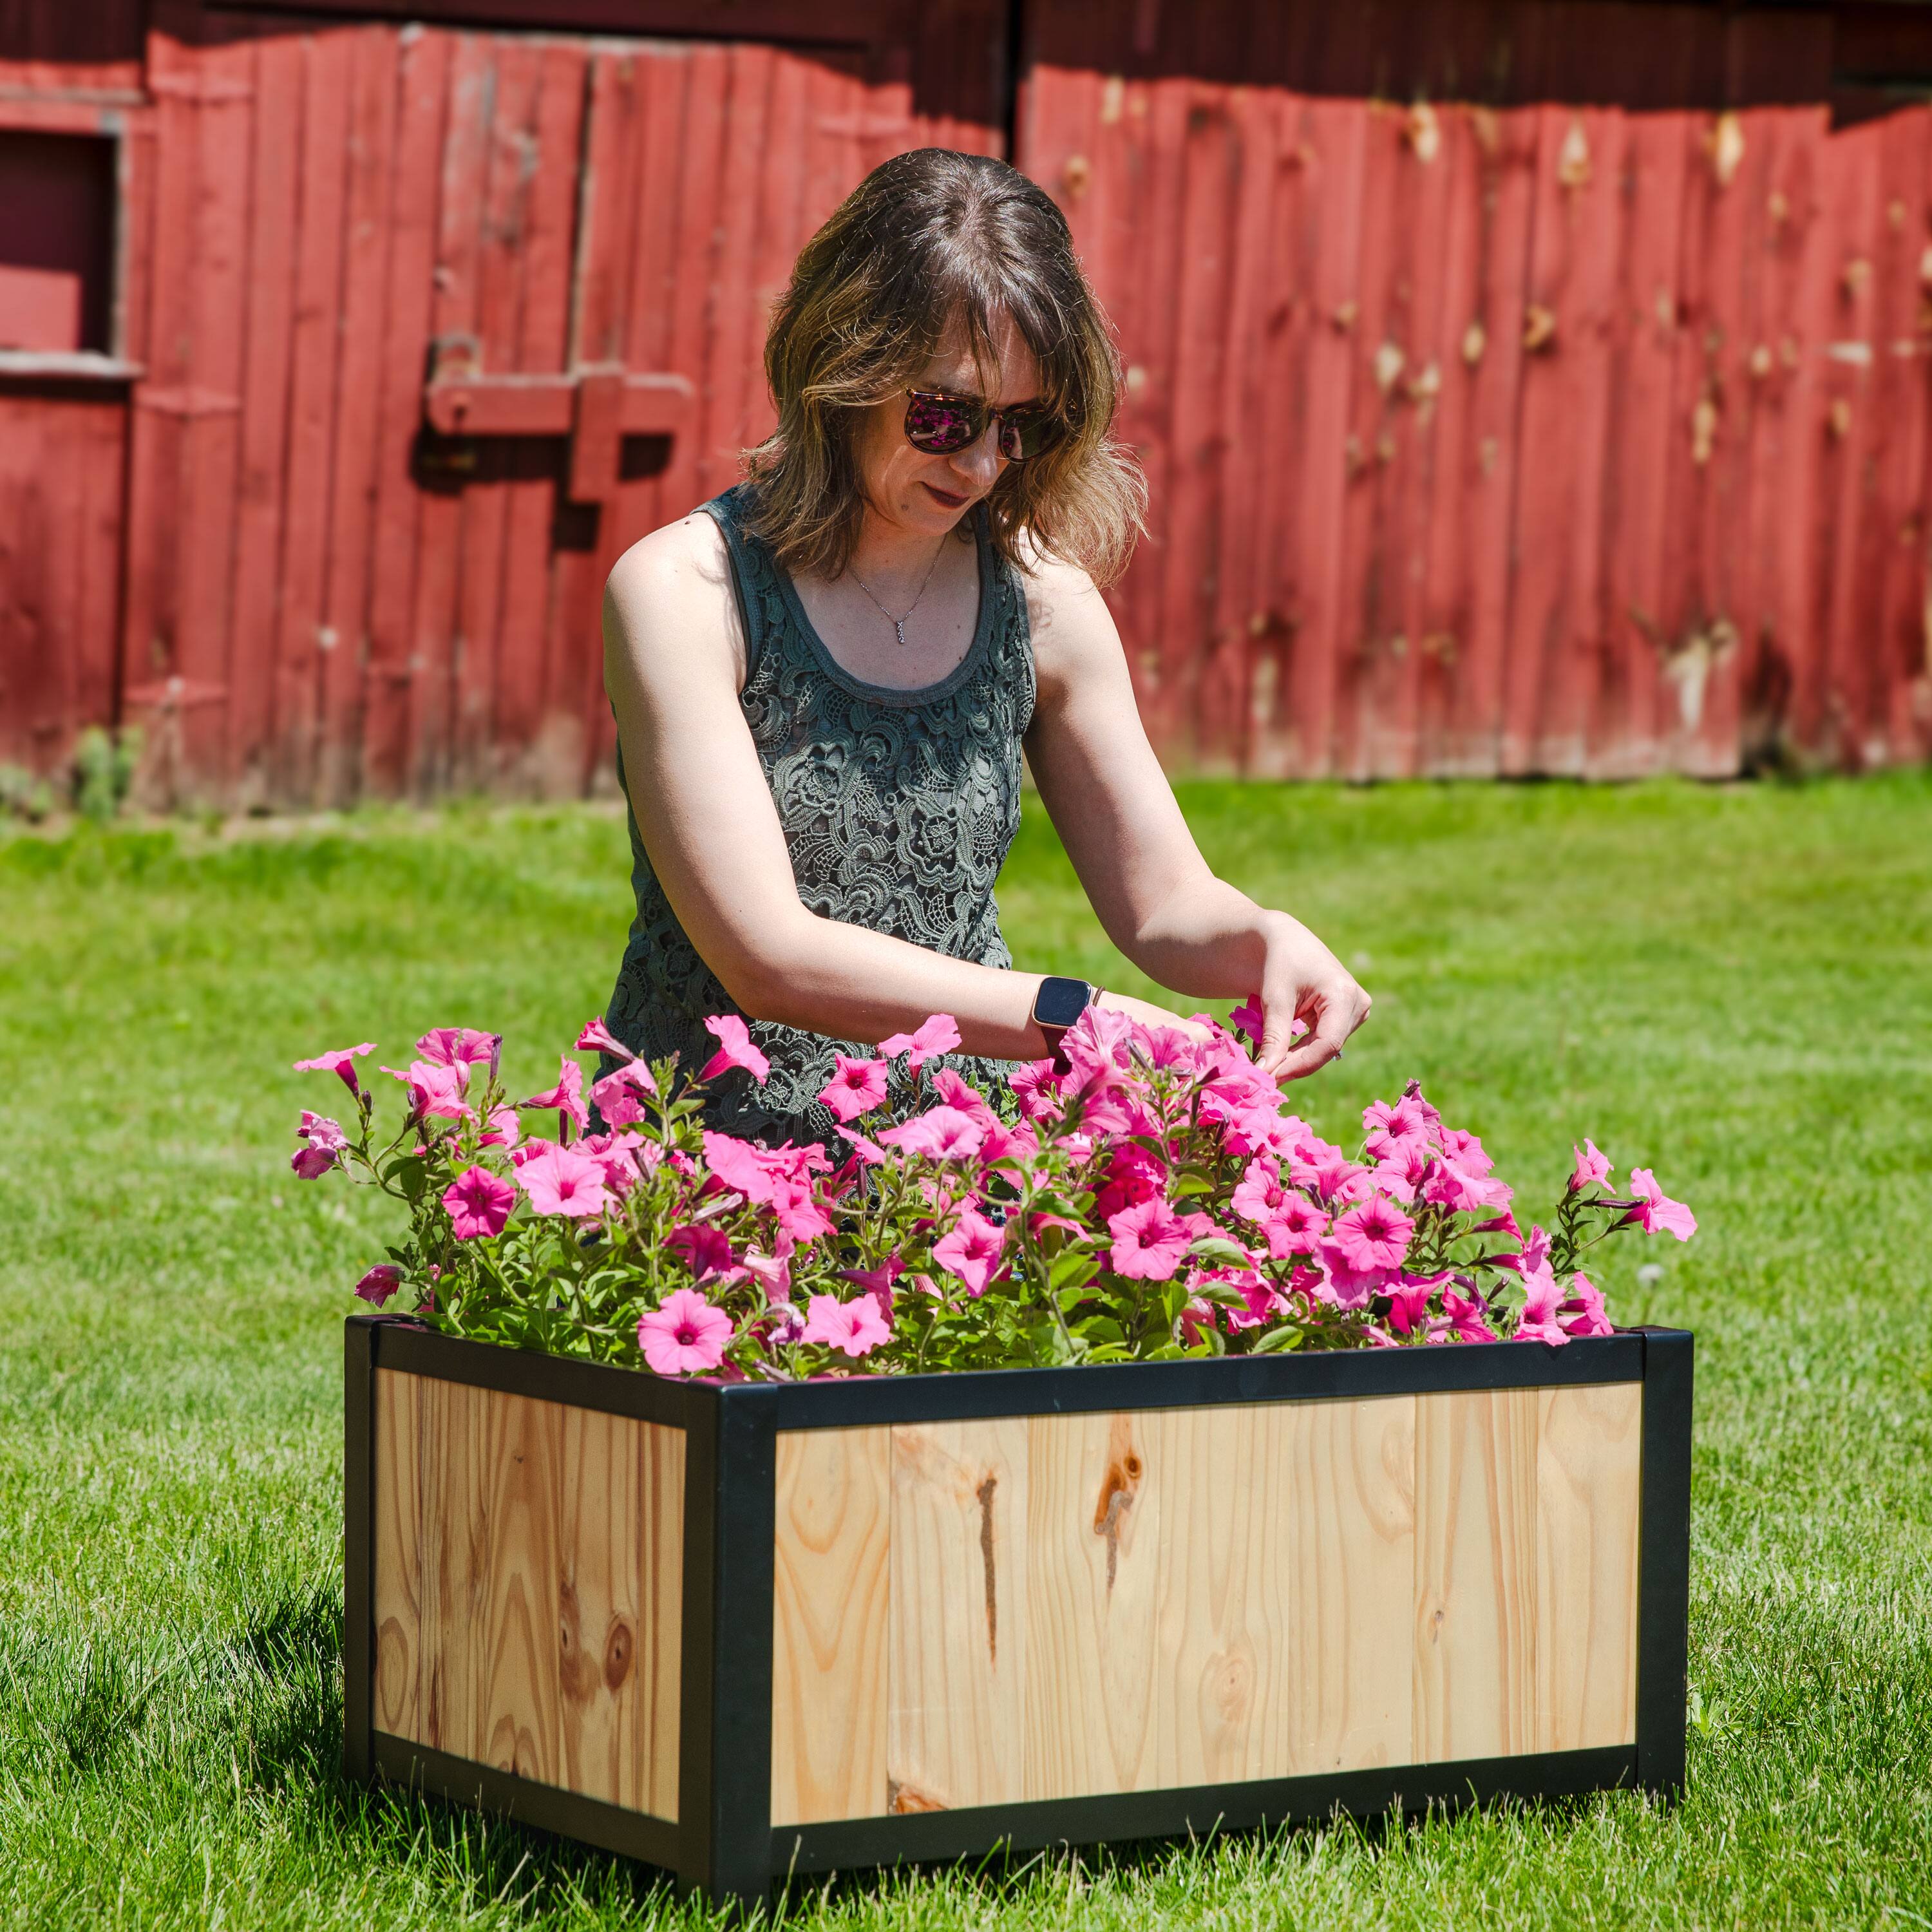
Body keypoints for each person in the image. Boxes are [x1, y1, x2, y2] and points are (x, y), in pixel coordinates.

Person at [598, 147, 1369, 1146]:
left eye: (1020, 428)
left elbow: (1166, 900)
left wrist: (1264, 939)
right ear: (845, 366)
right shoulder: (684, 591)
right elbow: (766, 956)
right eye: (943, 414)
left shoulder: (1043, 598)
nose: (977, 463)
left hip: (950, 1182)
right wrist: (1069, 1021)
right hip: (705, 1181)